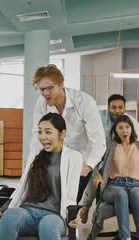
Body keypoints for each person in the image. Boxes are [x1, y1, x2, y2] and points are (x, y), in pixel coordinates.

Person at [82, 115, 139, 240]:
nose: (124, 131)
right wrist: (97, 175)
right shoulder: (110, 145)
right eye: (120, 128)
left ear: (132, 129)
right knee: (121, 194)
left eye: (127, 127)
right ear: (115, 130)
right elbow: (92, 161)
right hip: (113, 186)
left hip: (135, 185)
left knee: (136, 193)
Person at [28, 64, 106, 203]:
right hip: (55, 159)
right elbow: (36, 139)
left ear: (61, 84)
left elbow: (99, 142)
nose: (45, 93)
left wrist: (88, 166)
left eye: (50, 88)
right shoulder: (41, 104)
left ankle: (68, 223)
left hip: (81, 160)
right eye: (42, 89)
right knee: (48, 201)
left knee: (70, 203)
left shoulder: (84, 102)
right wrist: (31, 165)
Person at [77, 94, 139, 224]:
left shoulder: (131, 122)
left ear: (124, 108)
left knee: (108, 187)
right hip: (98, 157)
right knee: (94, 183)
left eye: (120, 107)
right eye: (113, 107)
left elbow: (136, 144)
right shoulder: (98, 118)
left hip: (119, 160)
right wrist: (95, 172)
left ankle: (97, 214)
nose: (117, 111)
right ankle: (86, 207)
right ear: (108, 107)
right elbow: (89, 144)